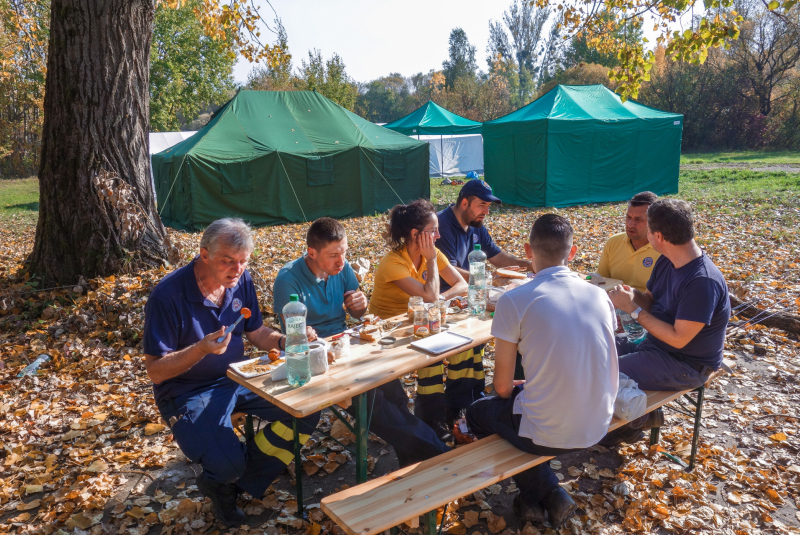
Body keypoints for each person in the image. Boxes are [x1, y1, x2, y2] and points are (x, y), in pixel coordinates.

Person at [143, 218, 320, 527]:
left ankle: (238, 479)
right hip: (186, 392)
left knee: (305, 411)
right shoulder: (168, 296)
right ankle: (225, 477)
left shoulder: (240, 281)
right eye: (228, 261)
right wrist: (200, 349)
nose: (237, 269)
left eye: (243, 262)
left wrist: (286, 340)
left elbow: (257, 332)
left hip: (239, 376)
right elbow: (156, 371)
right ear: (204, 254)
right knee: (226, 464)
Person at [466, 214, 618, 527]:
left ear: (528, 251)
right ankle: (535, 498)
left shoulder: (514, 300)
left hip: (549, 431)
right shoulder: (600, 295)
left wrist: (522, 386)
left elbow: (503, 388)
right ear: (572, 253)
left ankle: (545, 492)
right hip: (599, 421)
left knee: (478, 413)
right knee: (522, 408)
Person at [273, 217, 449, 466]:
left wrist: (360, 305)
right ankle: (437, 452)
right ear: (312, 253)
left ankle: (413, 459)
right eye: (334, 255)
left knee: (394, 393)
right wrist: (308, 334)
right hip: (313, 357)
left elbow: (357, 314)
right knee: (375, 404)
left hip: (347, 345)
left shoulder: (342, 269)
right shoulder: (288, 279)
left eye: (344, 252)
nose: (341, 261)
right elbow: (291, 334)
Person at [601, 199, 731, 446]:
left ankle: (637, 421)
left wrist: (634, 309)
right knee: (593, 348)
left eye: (647, 230)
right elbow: (651, 301)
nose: (645, 235)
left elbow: (678, 338)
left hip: (686, 364)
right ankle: (636, 416)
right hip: (656, 345)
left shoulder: (702, 281)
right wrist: (630, 296)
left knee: (601, 371)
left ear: (658, 235)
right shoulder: (668, 259)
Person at [434, 179, 533, 428]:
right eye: (482, 205)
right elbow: (444, 268)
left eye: (488, 206)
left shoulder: (476, 225)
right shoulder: (441, 225)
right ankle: (454, 410)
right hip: (446, 304)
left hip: (473, 299)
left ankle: (473, 401)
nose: (486, 212)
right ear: (464, 202)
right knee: (465, 352)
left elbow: (498, 257)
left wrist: (533, 265)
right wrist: (483, 279)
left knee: (487, 343)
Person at [368, 199, 468, 437]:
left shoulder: (432, 252)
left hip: (417, 328)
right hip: (386, 338)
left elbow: (462, 284)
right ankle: (430, 420)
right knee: (432, 357)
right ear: (415, 234)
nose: (438, 235)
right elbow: (429, 296)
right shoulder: (393, 263)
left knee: (467, 347)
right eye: (433, 231)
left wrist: (440, 298)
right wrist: (432, 262)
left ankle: (456, 412)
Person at [597, 191, 660, 292]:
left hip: (648, 307)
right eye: (628, 217)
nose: (630, 224)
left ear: (654, 222)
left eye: (638, 219)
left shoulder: (663, 249)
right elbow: (600, 281)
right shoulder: (613, 242)